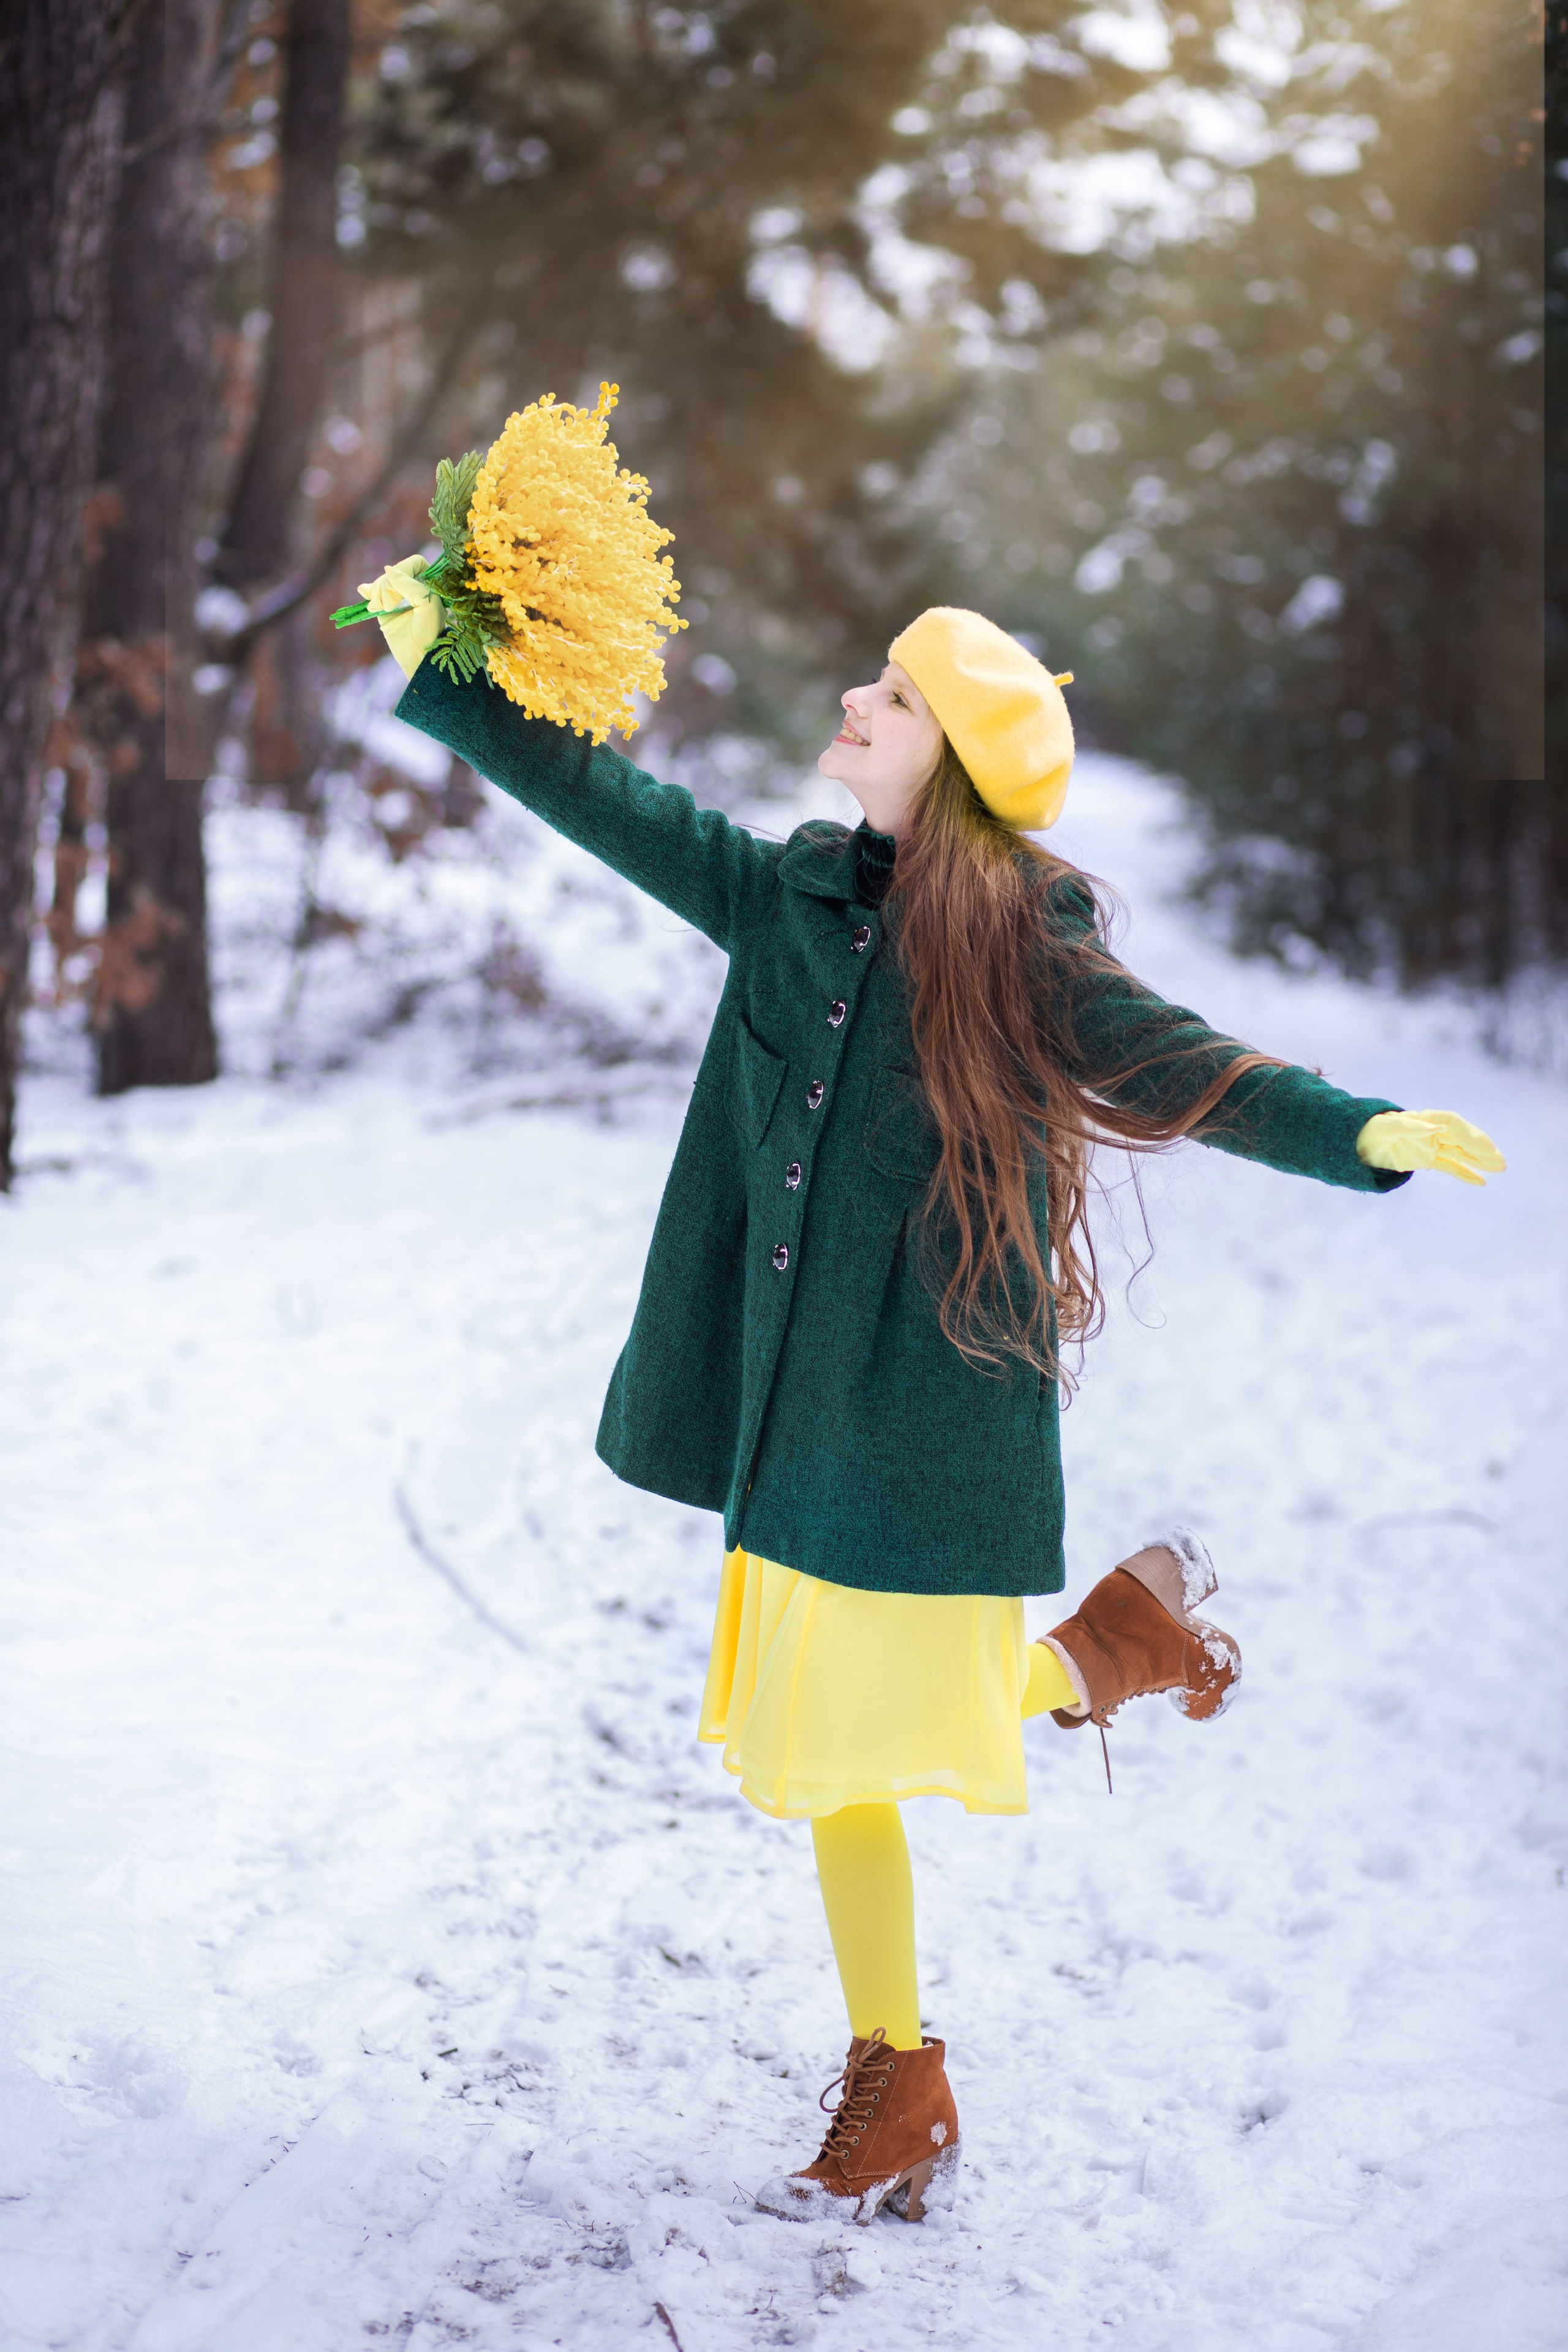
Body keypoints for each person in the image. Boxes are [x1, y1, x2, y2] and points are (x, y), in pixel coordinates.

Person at [364, 572, 1504, 2224]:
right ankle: (1097, 1685)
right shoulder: (787, 894)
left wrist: (1358, 1132)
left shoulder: (1026, 948)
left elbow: (1178, 1060)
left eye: (893, 696)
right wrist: (453, 673)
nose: (857, 702)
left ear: (954, 756)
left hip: (927, 1405)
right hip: (792, 1398)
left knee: (842, 1745)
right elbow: (609, 800)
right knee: (842, 1750)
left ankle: (911, 2053)